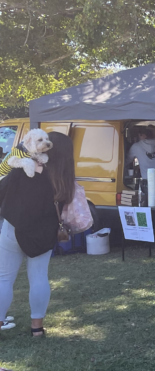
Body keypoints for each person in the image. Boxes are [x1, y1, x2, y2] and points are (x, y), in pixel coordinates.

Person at [0, 131, 76, 337]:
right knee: (39, 277)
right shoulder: (65, 177)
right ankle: (37, 328)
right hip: (44, 230)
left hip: (13, 227)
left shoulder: (22, 167)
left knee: (4, 278)